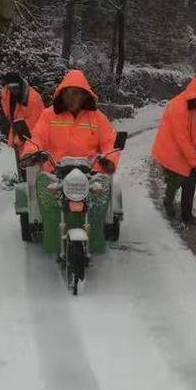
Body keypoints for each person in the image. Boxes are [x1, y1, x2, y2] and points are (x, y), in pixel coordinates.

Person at [20, 69, 121, 255]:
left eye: (76, 93)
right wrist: (31, 153)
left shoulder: (97, 118)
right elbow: (37, 138)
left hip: (90, 173)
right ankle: (52, 238)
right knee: (46, 196)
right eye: (67, 92)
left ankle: (96, 237)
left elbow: (110, 142)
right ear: (61, 93)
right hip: (55, 171)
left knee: (101, 196)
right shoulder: (48, 115)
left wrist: (110, 158)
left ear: (85, 95)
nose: (71, 97)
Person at [151, 75, 196, 224]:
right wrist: (195, 160)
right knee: (176, 179)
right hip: (171, 149)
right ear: (195, 94)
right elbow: (181, 138)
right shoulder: (177, 107)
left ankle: (187, 215)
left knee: (190, 181)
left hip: (187, 148)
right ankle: (168, 201)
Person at [0, 72, 44, 178]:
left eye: (15, 87)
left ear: (20, 84)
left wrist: (17, 139)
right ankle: (24, 182)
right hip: (20, 136)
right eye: (10, 87)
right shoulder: (9, 95)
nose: (12, 90)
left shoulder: (33, 99)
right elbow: (11, 115)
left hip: (32, 141)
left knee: (33, 171)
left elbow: (35, 124)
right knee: (23, 168)